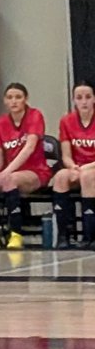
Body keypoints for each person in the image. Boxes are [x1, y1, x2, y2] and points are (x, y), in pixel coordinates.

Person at [0, 83, 52, 249]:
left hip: (35, 171)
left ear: (25, 99)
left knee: (10, 178)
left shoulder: (35, 115)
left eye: (18, 97)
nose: (14, 101)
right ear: (5, 101)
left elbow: (29, 148)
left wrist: (8, 171)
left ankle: (16, 233)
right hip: (9, 173)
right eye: (10, 98)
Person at [51, 81, 95, 247]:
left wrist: (84, 168)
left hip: (91, 168)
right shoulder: (66, 121)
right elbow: (66, 155)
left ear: (94, 99)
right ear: (74, 100)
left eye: (88, 97)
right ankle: (63, 236)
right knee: (61, 176)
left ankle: (89, 236)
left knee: (87, 177)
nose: (84, 102)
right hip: (77, 167)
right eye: (79, 97)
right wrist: (72, 167)